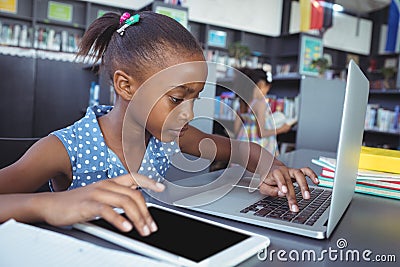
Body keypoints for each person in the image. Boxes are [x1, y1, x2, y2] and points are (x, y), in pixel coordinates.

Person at [0, 11, 318, 235]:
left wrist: (273, 167)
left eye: (195, 99)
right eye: (178, 99)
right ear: (126, 86)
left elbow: (245, 150)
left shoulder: (168, 135)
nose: (189, 115)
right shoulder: (62, 149)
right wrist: (49, 204)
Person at [234, 67, 292, 156]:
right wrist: (282, 129)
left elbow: (236, 129)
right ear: (261, 84)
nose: (266, 92)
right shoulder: (260, 104)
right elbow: (261, 133)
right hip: (258, 147)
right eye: (267, 88)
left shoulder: (242, 102)